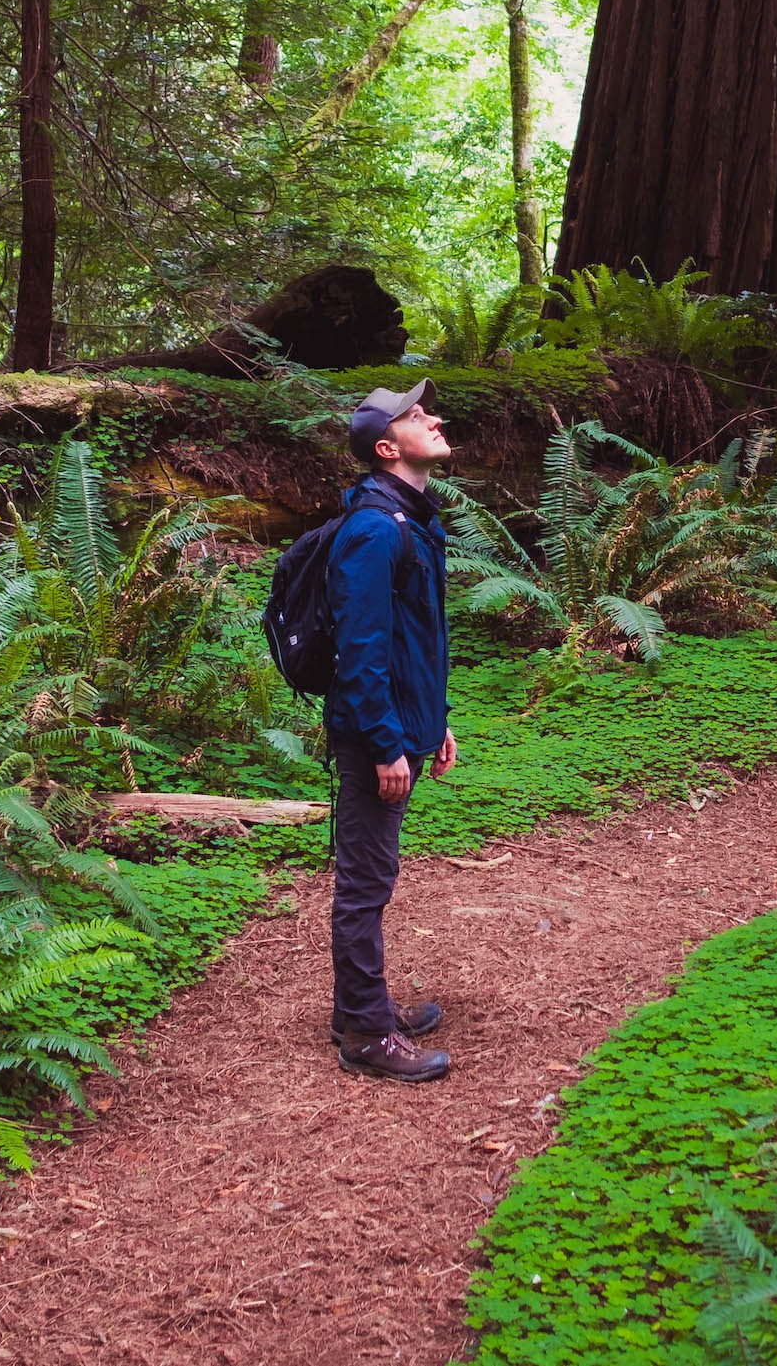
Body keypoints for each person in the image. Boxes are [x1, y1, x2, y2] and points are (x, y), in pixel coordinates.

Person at [326, 379, 458, 1083]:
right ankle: (365, 1033)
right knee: (365, 882)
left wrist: (432, 724)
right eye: (415, 415)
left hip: (400, 723)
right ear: (386, 447)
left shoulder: (409, 518)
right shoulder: (376, 528)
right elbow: (360, 649)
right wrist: (384, 741)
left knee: (372, 876)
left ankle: (361, 1004)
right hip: (370, 733)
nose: (432, 418)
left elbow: (413, 639)